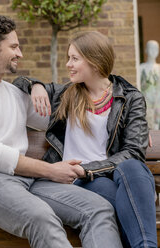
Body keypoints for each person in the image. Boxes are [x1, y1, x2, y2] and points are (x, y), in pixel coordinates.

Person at [0, 15, 122, 248]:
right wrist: (50, 170)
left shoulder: (15, 94)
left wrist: (127, 124)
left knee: (98, 209)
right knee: (42, 218)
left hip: (27, 180)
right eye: (14, 46)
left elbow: (66, 119)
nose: (20, 53)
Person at [14, 31, 157, 248]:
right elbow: (17, 82)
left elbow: (133, 152)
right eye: (68, 58)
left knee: (134, 168)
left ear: (95, 62)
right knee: (121, 200)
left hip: (108, 175)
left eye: (75, 58)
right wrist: (35, 85)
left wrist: (88, 169)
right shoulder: (65, 95)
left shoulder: (130, 98)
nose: (68, 64)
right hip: (75, 181)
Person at [140, 40, 160, 130]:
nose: (153, 50)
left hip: (158, 104)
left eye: (156, 48)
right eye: (151, 48)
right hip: (146, 104)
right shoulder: (141, 68)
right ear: (146, 50)